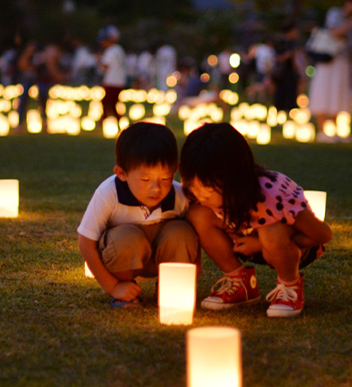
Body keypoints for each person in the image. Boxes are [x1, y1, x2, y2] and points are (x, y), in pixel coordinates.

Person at [180, 123, 332, 318]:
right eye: (192, 187)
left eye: (208, 192)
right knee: (198, 214)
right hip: (243, 237)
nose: (199, 196)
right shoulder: (198, 190)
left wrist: (260, 244)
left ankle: (289, 287)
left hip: (291, 245)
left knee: (271, 231)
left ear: (233, 180)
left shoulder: (273, 195)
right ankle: (240, 282)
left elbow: (323, 235)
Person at [77, 122, 200, 307]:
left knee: (182, 232)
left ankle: (167, 288)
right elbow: (86, 243)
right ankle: (125, 291)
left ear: (175, 170)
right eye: (145, 179)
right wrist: (113, 287)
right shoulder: (109, 193)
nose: (156, 188)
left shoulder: (178, 196)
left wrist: (187, 283)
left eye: (165, 178)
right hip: (122, 258)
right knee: (126, 238)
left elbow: (195, 243)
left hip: (161, 258)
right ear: (122, 173)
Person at [308, 0, 352, 142]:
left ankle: (335, 131)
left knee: (337, 96)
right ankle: (322, 131)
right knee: (324, 92)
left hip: (343, 62)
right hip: (328, 61)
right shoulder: (335, 13)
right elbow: (334, 33)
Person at [97, 25, 127, 122]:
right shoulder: (119, 49)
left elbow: (105, 66)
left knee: (107, 102)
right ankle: (106, 119)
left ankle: (106, 120)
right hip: (120, 81)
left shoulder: (110, 51)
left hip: (111, 81)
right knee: (111, 103)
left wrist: (98, 60)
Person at [271, 22, 300, 112]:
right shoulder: (290, 43)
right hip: (287, 73)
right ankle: (285, 113)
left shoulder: (281, 42)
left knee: (282, 93)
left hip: (282, 72)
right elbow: (291, 56)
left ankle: (281, 113)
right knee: (287, 93)